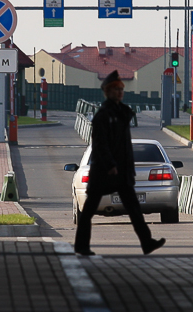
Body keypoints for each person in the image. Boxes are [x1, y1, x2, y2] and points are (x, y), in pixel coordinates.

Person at [73, 70, 166, 256]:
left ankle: (147, 242)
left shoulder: (121, 113)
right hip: (104, 172)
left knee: (134, 208)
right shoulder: (103, 116)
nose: (120, 92)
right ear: (107, 91)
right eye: (116, 89)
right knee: (89, 209)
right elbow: (100, 144)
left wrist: (127, 168)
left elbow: (124, 146)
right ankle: (81, 246)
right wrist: (110, 165)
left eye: (121, 89)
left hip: (122, 171)